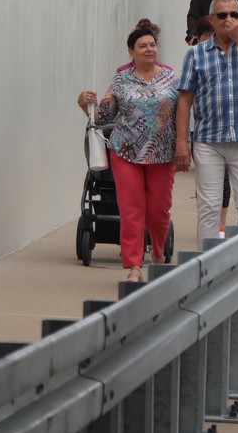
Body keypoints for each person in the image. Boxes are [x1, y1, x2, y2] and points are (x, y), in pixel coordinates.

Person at [77, 21, 179, 283]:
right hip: (126, 151)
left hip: (162, 152)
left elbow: (183, 114)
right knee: (132, 209)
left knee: (158, 210)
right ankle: (134, 266)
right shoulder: (121, 79)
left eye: (153, 45)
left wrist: (184, 145)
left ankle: (157, 253)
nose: (149, 49)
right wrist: (84, 105)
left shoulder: (171, 77)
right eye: (143, 46)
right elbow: (103, 117)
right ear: (131, 51)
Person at [175, 0, 238, 248]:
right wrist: (182, 143)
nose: (228, 20)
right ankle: (207, 269)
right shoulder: (196, 54)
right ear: (212, 19)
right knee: (208, 208)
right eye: (222, 16)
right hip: (209, 140)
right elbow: (185, 100)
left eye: (234, 15)